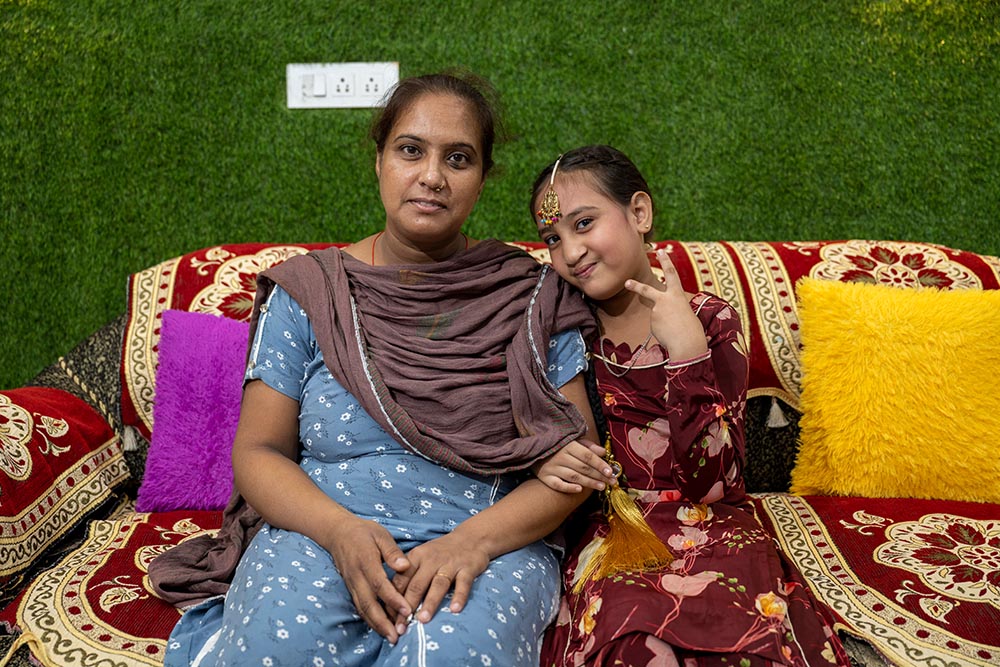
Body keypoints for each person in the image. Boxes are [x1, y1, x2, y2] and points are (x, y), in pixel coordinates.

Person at [155, 72, 604, 667]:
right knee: (275, 647)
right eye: (410, 150)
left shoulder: (530, 295)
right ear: (379, 159)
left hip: (488, 543)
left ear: (482, 179)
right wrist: (340, 533)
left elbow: (579, 460)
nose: (432, 177)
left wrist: (473, 542)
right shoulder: (311, 290)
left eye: (459, 158)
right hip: (319, 530)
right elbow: (259, 450)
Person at [528, 145, 850, 666]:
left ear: (639, 213)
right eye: (553, 238)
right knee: (630, 637)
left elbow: (718, 483)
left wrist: (686, 353)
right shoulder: (565, 335)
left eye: (583, 223)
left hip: (714, 522)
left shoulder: (710, 320)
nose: (570, 252)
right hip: (616, 527)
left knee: (740, 633)